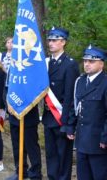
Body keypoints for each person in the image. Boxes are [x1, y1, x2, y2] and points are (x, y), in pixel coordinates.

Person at [42, 27, 79, 180]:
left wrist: (69, 123)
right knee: (51, 154)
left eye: (55, 40)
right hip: (48, 116)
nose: (51, 43)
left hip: (62, 118)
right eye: (50, 40)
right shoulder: (46, 63)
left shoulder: (70, 64)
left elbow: (71, 97)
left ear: (63, 42)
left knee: (63, 156)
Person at [67, 45, 107, 180]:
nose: (87, 64)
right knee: (83, 176)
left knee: (99, 175)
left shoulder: (105, 83)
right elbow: (75, 106)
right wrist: (70, 127)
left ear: (101, 63)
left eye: (91, 61)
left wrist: (105, 137)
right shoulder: (80, 81)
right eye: (85, 61)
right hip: (82, 139)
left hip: (98, 141)